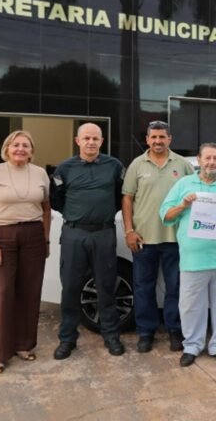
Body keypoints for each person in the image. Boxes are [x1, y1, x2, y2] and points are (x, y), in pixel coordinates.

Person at [0, 130, 51, 374]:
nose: (20, 149)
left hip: (34, 236)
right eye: (16, 145)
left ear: (31, 150)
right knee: (5, 292)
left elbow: (46, 209)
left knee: (30, 291)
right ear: (7, 149)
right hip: (3, 236)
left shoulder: (39, 173)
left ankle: (24, 345)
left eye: (25, 145)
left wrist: (46, 239)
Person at [160, 143, 216, 367]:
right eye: (207, 158)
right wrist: (184, 204)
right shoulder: (184, 184)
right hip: (193, 259)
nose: (211, 162)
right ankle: (192, 346)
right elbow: (165, 216)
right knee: (190, 306)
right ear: (199, 160)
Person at [50, 123, 125, 359]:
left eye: (95, 138)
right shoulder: (64, 168)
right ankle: (67, 338)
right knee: (71, 287)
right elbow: (56, 200)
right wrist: (79, 216)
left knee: (106, 286)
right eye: (86, 138)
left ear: (101, 142)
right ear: (78, 141)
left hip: (104, 233)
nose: (91, 142)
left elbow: (119, 197)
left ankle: (111, 335)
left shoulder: (114, 166)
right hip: (75, 234)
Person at [122, 120, 194, 353]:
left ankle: (174, 329)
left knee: (175, 287)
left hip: (175, 238)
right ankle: (146, 332)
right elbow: (127, 199)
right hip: (144, 238)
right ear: (147, 140)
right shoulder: (137, 165)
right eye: (153, 137)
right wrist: (129, 231)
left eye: (162, 137)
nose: (158, 141)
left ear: (169, 139)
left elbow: (199, 187)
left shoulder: (182, 164)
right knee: (143, 287)